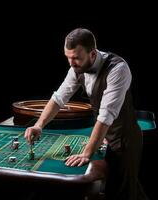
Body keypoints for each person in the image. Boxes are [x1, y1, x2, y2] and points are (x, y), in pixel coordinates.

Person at [24, 28, 148, 200]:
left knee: (124, 193)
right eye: (68, 57)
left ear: (93, 54)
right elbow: (59, 98)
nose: (71, 63)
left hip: (124, 139)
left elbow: (105, 116)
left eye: (76, 58)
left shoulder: (118, 69)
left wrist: (86, 153)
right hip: (106, 136)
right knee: (122, 188)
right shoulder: (76, 68)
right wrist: (39, 125)